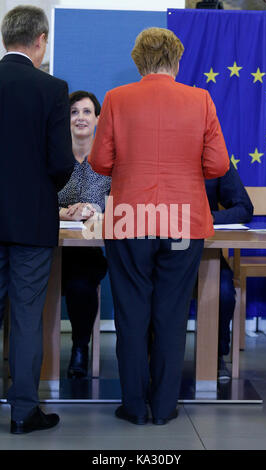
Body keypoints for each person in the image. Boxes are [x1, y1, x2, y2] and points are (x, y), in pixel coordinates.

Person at [89, 27, 230, 425]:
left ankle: (134, 407)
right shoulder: (200, 99)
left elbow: (100, 162)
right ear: (178, 59)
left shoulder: (116, 99)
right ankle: (165, 407)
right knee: (170, 316)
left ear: (137, 60)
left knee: (132, 316)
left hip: (129, 219)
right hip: (183, 221)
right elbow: (217, 166)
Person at [0, 6, 74, 434]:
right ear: (41, 40)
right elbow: (62, 163)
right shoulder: (52, 88)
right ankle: (23, 412)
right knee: (27, 317)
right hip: (31, 222)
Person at [58, 91, 111, 378]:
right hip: (48, 249)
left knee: (81, 286)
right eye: (73, 112)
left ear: (98, 119)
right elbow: (36, 200)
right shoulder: (54, 157)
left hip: (88, 250)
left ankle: (80, 347)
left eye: (86, 112)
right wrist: (63, 213)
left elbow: (120, 205)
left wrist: (95, 212)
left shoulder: (108, 160)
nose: (80, 117)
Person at [206, 165, 253, 379]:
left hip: (204, 253)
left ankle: (216, 355)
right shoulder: (153, 150)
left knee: (224, 289)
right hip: (160, 252)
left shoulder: (214, 160)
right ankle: (150, 357)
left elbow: (244, 208)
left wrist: (209, 217)